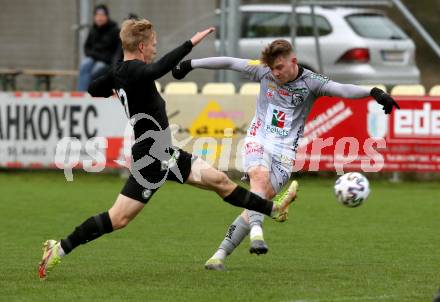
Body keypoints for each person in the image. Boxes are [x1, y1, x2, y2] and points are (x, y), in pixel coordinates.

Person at [38, 20, 297, 280]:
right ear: (141, 46)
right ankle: (59, 248)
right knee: (118, 219)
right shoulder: (134, 70)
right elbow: (158, 69)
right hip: (151, 158)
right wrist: (191, 43)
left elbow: (93, 88)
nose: (154, 50)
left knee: (219, 181)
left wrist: (115, 90)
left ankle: (274, 210)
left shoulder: (120, 72)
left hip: (162, 152)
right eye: (153, 45)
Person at [172, 39, 400, 271]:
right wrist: (191, 63)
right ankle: (257, 234)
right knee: (258, 179)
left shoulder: (311, 82)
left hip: (284, 154)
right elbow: (230, 62)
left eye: (279, 67)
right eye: (272, 68)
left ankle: (219, 255)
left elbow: (341, 89)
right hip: (257, 140)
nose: (275, 73)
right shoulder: (263, 70)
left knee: (255, 203)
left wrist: (374, 92)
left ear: (293, 61)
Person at [77, 4, 120, 91]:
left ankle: (90, 93)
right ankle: (81, 94)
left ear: (107, 16)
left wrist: (114, 64)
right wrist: (93, 54)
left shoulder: (114, 30)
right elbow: (86, 47)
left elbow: (116, 52)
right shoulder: (93, 30)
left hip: (106, 61)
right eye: (97, 15)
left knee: (95, 71)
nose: (99, 18)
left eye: (102, 15)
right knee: (84, 65)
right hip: (93, 58)